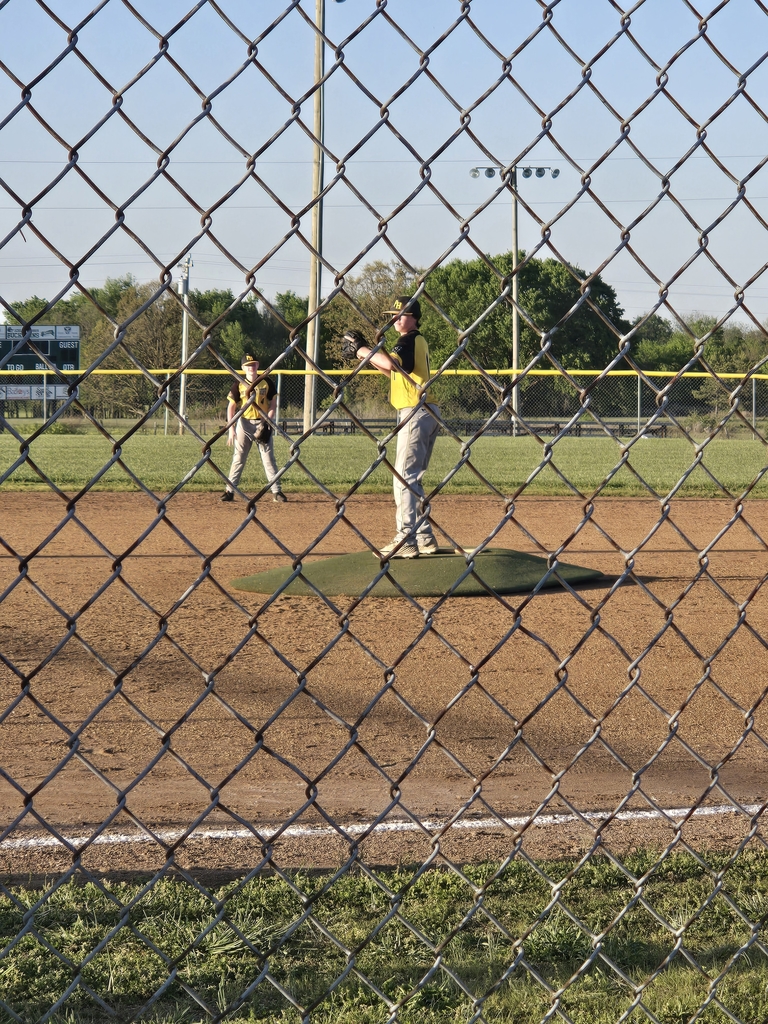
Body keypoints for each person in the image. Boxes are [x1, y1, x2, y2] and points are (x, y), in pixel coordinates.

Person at [345, 296, 440, 558]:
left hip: (415, 412)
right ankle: (424, 537)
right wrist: (366, 354)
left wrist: (361, 350)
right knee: (413, 478)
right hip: (426, 412)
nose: (396, 319)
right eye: (394, 315)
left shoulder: (408, 340)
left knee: (404, 478)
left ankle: (406, 538)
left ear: (415, 317)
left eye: (402, 315)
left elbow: (391, 363)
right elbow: (393, 371)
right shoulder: (414, 341)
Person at [221, 353, 286, 503]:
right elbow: (231, 407)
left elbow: (273, 404)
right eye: (248, 365)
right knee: (238, 457)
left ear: (258, 366)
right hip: (243, 423)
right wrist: (231, 429)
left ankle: (276, 491)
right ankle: (229, 491)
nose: (252, 367)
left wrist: (267, 421)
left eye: (254, 364)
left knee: (268, 459)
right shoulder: (239, 383)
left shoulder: (266, 381)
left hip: (262, 422)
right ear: (243, 368)